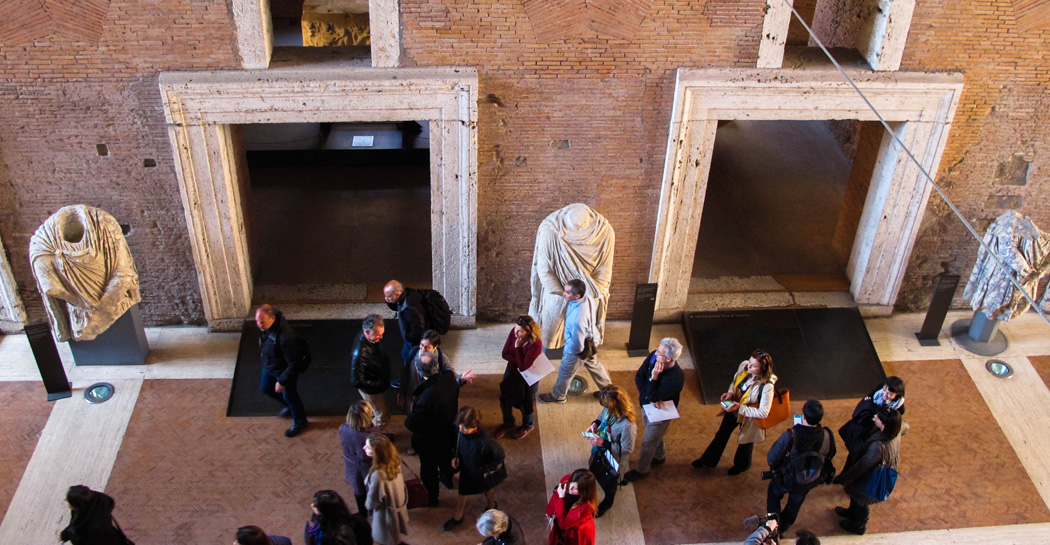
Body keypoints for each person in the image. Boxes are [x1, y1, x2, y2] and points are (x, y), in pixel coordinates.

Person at [693, 349, 777, 475]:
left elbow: (763, 412)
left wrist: (740, 408)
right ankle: (708, 461)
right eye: (750, 362)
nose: (749, 366)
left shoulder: (767, 386)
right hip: (733, 410)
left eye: (754, 366)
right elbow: (734, 383)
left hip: (749, 417)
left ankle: (741, 466)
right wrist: (730, 393)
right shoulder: (744, 366)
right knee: (721, 434)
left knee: (745, 442)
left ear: (763, 369)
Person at [765, 400, 836, 536]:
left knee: (773, 495)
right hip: (808, 479)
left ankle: (773, 526)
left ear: (803, 416)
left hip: (786, 478)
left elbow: (772, 457)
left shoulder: (791, 435)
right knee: (795, 503)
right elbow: (831, 454)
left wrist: (775, 468)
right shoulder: (827, 435)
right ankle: (784, 525)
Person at [833, 407, 907, 535]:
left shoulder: (878, 447)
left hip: (871, 475)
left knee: (862, 500)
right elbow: (906, 427)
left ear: (883, 424)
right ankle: (851, 512)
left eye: (878, 418)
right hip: (880, 467)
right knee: (856, 496)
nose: (875, 417)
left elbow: (862, 466)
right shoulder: (897, 428)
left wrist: (844, 478)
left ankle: (858, 525)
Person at [539, 279, 612, 404]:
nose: (564, 294)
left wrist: (570, 351)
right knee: (596, 367)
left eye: (567, 292)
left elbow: (577, 340)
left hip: (578, 348)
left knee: (565, 372)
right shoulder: (587, 298)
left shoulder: (578, 316)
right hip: (590, 342)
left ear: (577, 296)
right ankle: (609, 393)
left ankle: (558, 396)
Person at [404, 352, 461, 507]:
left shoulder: (426, 398)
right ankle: (447, 479)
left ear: (419, 371)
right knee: (446, 460)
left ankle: (432, 497)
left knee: (428, 470)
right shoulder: (449, 378)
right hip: (448, 432)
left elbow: (411, 423)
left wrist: (413, 410)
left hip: (429, 441)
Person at [624, 338, 685, 481]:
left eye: (659, 353)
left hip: (661, 413)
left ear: (669, 359)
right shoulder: (653, 356)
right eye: (657, 349)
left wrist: (654, 377)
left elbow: (654, 396)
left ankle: (642, 470)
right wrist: (648, 397)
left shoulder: (676, 378)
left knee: (647, 442)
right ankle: (659, 456)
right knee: (656, 435)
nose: (655, 353)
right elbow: (639, 377)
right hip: (647, 405)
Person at [444, 406, 507, 532]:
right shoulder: (461, 431)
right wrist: (455, 456)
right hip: (467, 468)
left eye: (464, 428)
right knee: (463, 491)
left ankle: (491, 505)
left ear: (475, 426)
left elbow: (499, 457)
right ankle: (458, 516)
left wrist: (483, 470)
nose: (460, 430)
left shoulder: (487, 442)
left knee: (487, 488)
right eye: (460, 426)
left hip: (481, 472)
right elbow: (457, 444)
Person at [256, 304, 309, 437]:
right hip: (272, 365)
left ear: (272, 319)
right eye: (257, 321)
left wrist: (282, 381)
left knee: (290, 396)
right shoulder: (269, 327)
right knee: (266, 387)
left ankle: (300, 421)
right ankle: (290, 407)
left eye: (262, 322)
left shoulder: (286, 338)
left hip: (284, 371)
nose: (259, 325)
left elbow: (294, 364)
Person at [584, 385, 637, 516]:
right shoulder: (610, 410)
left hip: (614, 457)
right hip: (600, 447)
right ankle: (620, 479)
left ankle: (608, 502)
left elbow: (627, 448)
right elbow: (602, 415)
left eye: (607, 406)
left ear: (616, 406)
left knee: (610, 481)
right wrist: (595, 423)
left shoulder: (628, 425)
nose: (606, 408)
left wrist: (603, 443)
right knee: (596, 466)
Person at [838, 376, 906, 473]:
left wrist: (871, 407)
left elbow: (888, 423)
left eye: (889, 394)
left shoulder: (899, 409)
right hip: (863, 424)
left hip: (872, 432)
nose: (885, 395)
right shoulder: (880, 388)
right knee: (854, 451)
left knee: (860, 454)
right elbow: (868, 397)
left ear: (897, 394)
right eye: (885, 390)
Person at [398, 329, 474, 411]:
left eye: (427, 347)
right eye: (422, 345)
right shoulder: (413, 352)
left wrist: (461, 379)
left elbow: (452, 379)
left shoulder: (441, 359)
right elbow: (406, 372)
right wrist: (402, 391)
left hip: (431, 399)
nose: (423, 349)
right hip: (413, 396)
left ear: (435, 346)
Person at [495, 315, 543, 439]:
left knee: (525, 404)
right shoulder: (514, 332)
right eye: (515, 329)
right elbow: (504, 354)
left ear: (529, 332)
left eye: (520, 331)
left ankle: (528, 425)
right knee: (505, 399)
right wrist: (522, 361)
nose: (516, 333)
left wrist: (517, 348)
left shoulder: (536, 344)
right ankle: (508, 423)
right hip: (511, 371)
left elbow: (523, 368)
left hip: (527, 378)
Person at [364, 436, 410, 545]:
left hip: (386, 515)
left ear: (377, 453)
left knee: (388, 539)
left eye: (368, 447)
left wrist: (368, 505)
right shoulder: (394, 461)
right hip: (398, 507)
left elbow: (373, 500)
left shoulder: (378, 474)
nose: (364, 448)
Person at [351, 314, 393, 428]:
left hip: (376, 383)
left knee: (375, 411)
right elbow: (356, 381)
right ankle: (376, 435)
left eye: (382, 334)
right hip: (372, 391)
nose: (381, 337)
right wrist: (379, 385)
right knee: (382, 417)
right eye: (378, 335)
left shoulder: (368, 339)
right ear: (367, 332)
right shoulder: (360, 353)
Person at [340, 400, 379, 515]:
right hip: (367, 467)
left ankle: (362, 513)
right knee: (371, 490)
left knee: (358, 489)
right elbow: (369, 454)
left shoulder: (343, 428)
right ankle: (372, 513)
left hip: (350, 464)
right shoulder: (370, 435)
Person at [59, 485, 131, 545]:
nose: (65, 500)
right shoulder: (99, 505)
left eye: (68, 500)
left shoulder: (88, 528)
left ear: (77, 505)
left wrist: (67, 534)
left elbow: (79, 539)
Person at [545, 469, 597, 545]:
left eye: (575, 488)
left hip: (575, 530)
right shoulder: (567, 480)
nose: (570, 489)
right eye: (571, 484)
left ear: (584, 492)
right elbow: (556, 495)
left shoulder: (586, 507)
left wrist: (561, 497)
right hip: (563, 520)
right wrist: (549, 511)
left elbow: (563, 524)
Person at [304, 489, 372, 545]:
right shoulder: (359, 520)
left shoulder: (329, 537)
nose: (312, 505)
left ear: (326, 512)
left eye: (316, 506)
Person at [383, 280, 427, 364]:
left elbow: (418, 329)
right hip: (410, 336)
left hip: (413, 341)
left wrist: (408, 337)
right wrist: (389, 302)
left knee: (407, 356)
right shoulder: (406, 294)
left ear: (397, 295)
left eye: (389, 297)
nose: (386, 299)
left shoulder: (410, 308)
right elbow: (396, 305)